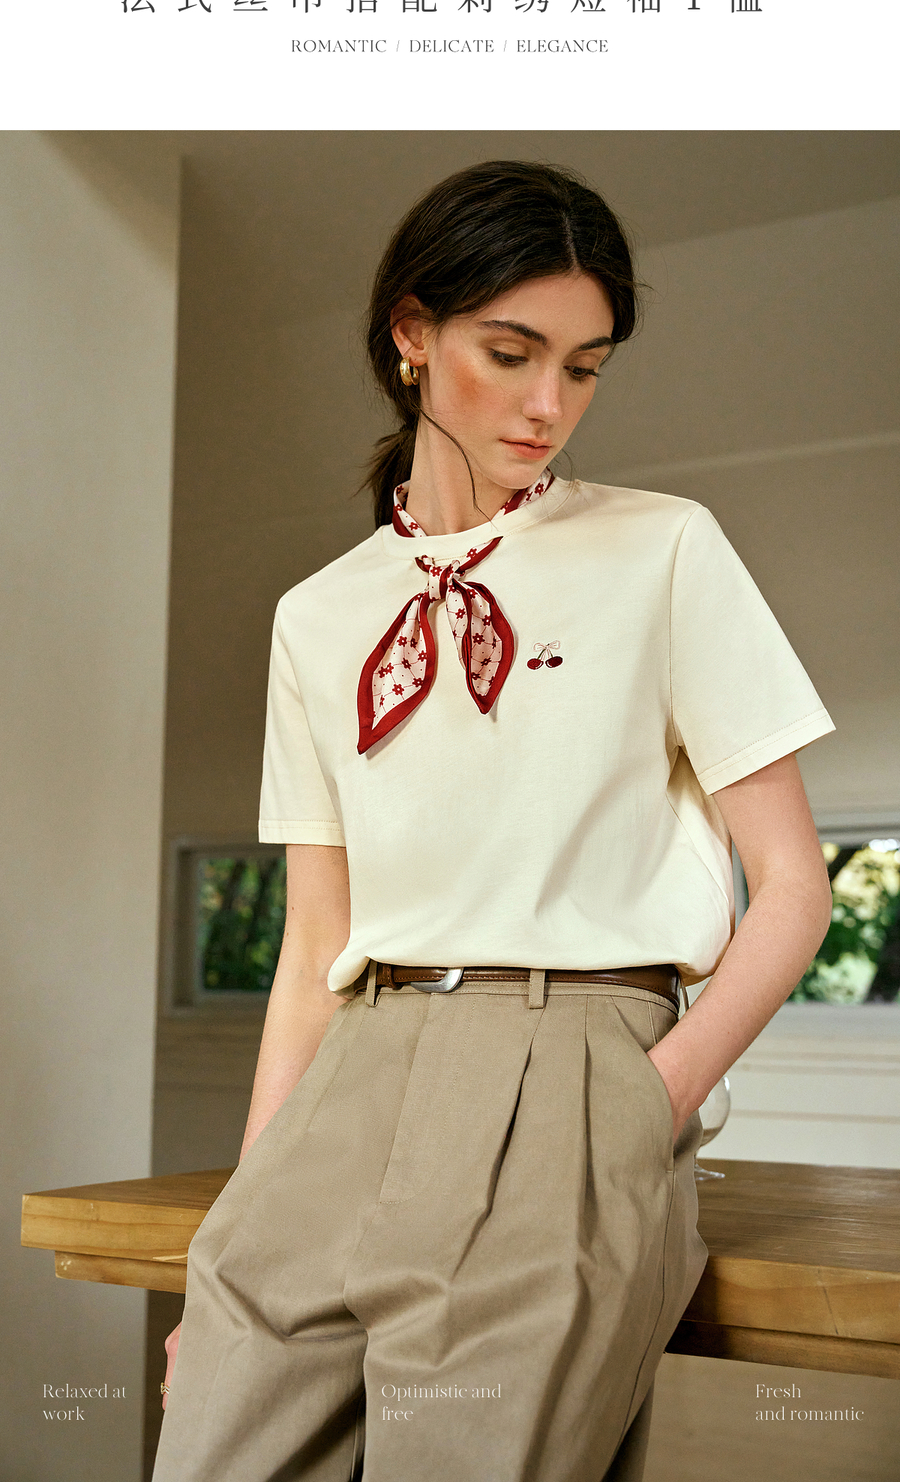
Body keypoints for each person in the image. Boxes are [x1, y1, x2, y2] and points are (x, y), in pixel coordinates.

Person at [152, 159, 835, 1482]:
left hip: (575, 1064)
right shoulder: (318, 615)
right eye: (511, 354)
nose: (547, 405)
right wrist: (236, 1227)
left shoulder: (664, 548)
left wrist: (643, 1104)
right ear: (411, 335)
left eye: (584, 367)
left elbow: (793, 885)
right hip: (352, 1072)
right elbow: (314, 948)